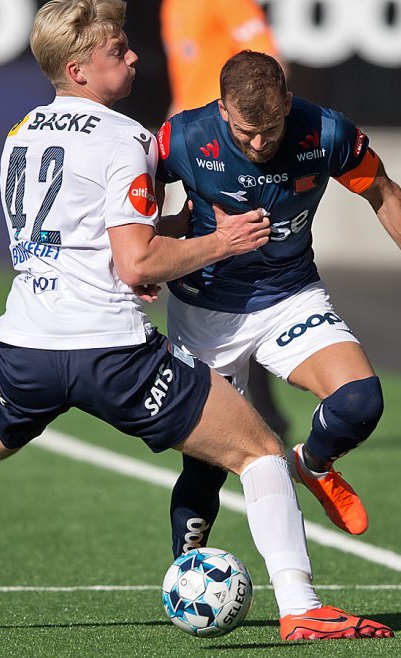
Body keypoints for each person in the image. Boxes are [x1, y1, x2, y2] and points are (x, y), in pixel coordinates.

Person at [0, 0, 392, 642]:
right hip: (112, 354)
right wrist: (219, 242)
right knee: (263, 453)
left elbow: (86, 241)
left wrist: (173, 235)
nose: (134, 57)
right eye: (118, 52)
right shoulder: (126, 138)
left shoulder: (20, 133)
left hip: (27, 347)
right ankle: (302, 610)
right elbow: (136, 265)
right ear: (80, 70)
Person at [156, 51, 401, 558]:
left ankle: (314, 463)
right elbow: (138, 220)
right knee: (206, 465)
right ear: (222, 110)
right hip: (204, 313)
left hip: (290, 295)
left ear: (287, 102)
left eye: (270, 128)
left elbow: (383, 192)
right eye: (246, 133)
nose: (259, 144)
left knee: (360, 402)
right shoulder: (182, 138)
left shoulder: (325, 133)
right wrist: (164, 250)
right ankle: (188, 571)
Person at [160, 0, 293, 440]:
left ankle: (248, 410)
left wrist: (254, 144)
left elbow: (269, 66)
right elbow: (188, 82)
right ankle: (248, 407)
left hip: (231, 154)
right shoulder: (172, 6)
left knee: (235, 271)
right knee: (207, 272)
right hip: (196, 151)